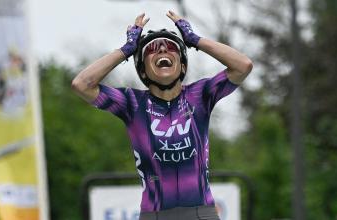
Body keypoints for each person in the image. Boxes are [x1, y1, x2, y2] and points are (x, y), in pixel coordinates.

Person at [72, 11, 253, 220]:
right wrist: (126, 50)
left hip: (202, 213)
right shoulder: (132, 103)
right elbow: (81, 84)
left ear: (182, 65)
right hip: (154, 214)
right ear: (142, 71)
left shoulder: (200, 95)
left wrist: (195, 40)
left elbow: (243, 65)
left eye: (171, 48)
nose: (161, 49)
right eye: (151, 50)